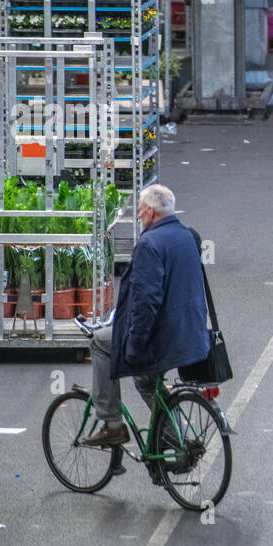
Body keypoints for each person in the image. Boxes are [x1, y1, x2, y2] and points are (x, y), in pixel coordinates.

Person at [82, 185, 210, 475]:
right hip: (190, 334)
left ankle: (112, 424)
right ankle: (171, 436)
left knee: (102, 342)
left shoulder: (150, 244)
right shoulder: (188, 236)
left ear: (151, 211)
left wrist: (135, 345)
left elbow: (146, 302)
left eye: (139, 210)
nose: (138, 216)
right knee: (145, 381)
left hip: (163, 337)